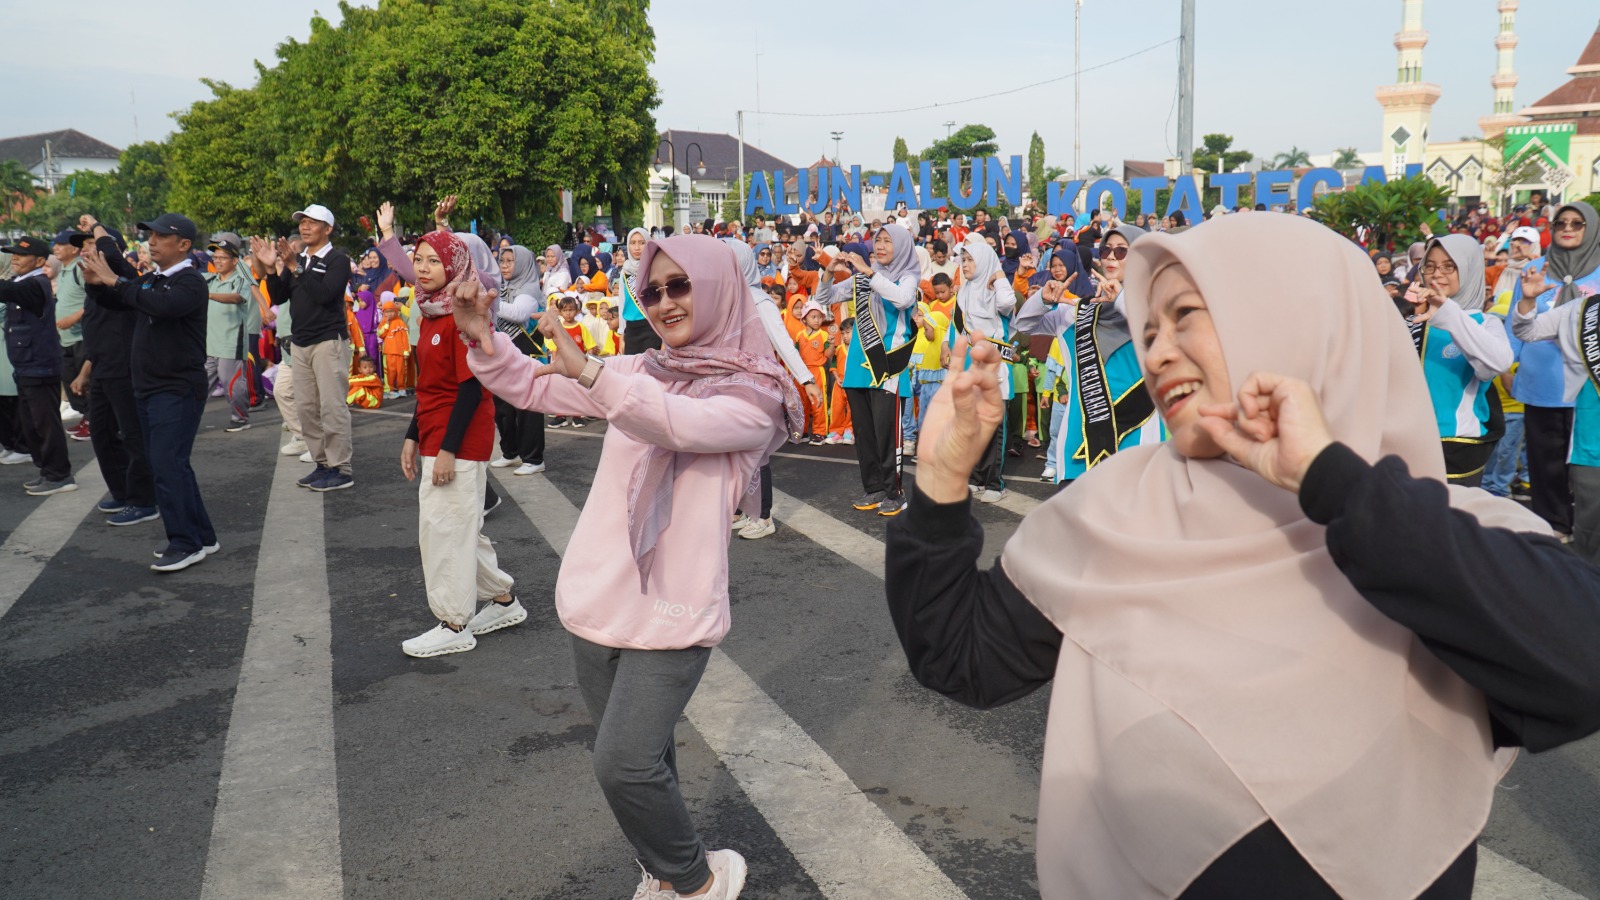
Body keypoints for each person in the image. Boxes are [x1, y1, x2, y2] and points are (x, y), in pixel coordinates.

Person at [888, 213, 1600, 898]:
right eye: (1148, 331)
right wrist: (941, 481)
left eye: (1186, 316)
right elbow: (960, 656)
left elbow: (1581, 665)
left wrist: (1330, 482)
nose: (1156, 353)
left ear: (1298, 320)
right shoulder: (1112, 512)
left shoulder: (1437, 531)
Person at [456, 233, 802, 900]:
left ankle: (700, 882)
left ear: (720, 288)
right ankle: (663, 874)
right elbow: (531, 384)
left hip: (674, 607)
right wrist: (483, 337)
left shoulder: (756, 394)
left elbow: (679, 424)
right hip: (599, 594)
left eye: (681, 286)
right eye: (653, 291)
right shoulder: (642, 370)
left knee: (624, 765)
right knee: (649, 759)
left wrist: (592, 373)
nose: (665, 302)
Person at [387, 229, 522, 657]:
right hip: (435, 431)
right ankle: (503, 600)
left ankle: (454, 623)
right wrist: (413, 436)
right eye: (419, 260)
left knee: (444, 530)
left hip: (457, 438)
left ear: (455, 265)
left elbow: (470, 389)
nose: (424, 268)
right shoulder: (430, 311)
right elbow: (430, 386)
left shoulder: (462, 314)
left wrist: (447, 449)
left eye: (434, 261)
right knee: (460, 527)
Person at [79, 214, 218, 571]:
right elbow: (119, 301)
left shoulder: (190, 281)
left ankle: (185, 543)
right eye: (150, 236)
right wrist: (96, 284)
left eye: (160, 236)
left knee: (167, 465)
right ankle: (202, 536)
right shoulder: (154, 278)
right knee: (172, 464)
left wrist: (113, 278)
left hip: (176, 387)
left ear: (183, 244)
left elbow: (161, 306)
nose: (151, 242)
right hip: (150, 386)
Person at [1017, 225, 1162, 487]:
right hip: (1078, 442)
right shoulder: (1077, 312)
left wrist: (1121, 300)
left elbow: (1160, 337)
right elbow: (1024, 325)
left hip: (1138, 437)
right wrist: (1043, 300)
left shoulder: (1157, 311)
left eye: (1121, 251)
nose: (1111, 256)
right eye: (1106, 250)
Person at [1511, 201, 1600, 562]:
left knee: (1586, 470)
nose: (1568, 228)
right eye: (1561, 222)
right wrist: (1506, 366)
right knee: (1545, 462)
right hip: (1541, 382)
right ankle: (1555, 526)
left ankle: (1585, 531)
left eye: (1577, 223)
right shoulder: (1535, 269)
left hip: (1587, 393)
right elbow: (1520, 325)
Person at [816, 227, 920, 514]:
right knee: (865, 435)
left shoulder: (907, 276)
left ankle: (894, 493)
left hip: (887, 368)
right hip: (857, 369)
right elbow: (825, 297)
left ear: (901, 246)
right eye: (878, 241)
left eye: (888, 241)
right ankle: (873, 488)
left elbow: (903, 299)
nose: (881, 246)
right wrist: (829, 271)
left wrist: (870, 273)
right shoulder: (862, 278)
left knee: (887, 435)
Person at [254, 203, 355, 492]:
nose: (304, 227)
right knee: (307, 408)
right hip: (300, 342)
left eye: (312, 222)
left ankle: (341, 468)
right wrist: (272, 269)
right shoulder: (298, 259)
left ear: (328, 228)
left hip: (327, 341)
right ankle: (322, 464)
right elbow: (278, 296)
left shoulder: (337, 260)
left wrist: (294, 267)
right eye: (302, 222)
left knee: (332, 408)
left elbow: (324, 295)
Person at [1404, 235, 1513, 486]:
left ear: (1469, 270)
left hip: (1455, 448)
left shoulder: (1484, 322)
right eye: (1429, 266)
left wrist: (1448, 312)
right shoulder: (1410, 322)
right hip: (1406, 442)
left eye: (1449, 266)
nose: (1437, 274)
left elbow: (1498, 363)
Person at [73, 217, 158, 524]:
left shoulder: (124, 280)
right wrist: (85, 372)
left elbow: (119, 267)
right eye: (84, 246)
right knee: (102, 434)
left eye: (91, 244)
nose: (85, 250)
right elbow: (97, 334)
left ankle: (144, 500)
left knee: (133, 436)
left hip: (124, 370)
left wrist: (97, 226)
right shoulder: (94, 285)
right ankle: (122, 491)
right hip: (102, 369)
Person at [0, 235, 75, 494]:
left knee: (45, 425)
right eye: (13, 253)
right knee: (32, 425)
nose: (15, 258)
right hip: (27, 365)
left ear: (40, 261)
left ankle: (59, 475)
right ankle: (47, 471)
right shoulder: (22, 281)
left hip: (39, 365)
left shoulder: (35, 284)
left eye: (22, 254)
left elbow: (7, 291)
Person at [952, 236, 1016, 500]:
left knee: (994, 428)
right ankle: (976, 478)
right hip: (973, 368)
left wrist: (999, 276)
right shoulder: (965, 290)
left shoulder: (996, 288)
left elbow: (1008, 304)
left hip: (995, 370)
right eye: (963, 260)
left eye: (970, 260)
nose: (965, 265)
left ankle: (994, 484)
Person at [490, 244, 546, 475]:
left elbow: (518, 313)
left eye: (510, 261)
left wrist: (489, 301)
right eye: (502, 261)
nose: (504, 266)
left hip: (527, 357)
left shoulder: (530, 290)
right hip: (505, 357)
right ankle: (510, 452)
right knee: (503, 407)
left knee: (527, 408)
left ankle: (533, 458)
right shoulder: (502, 289)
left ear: (522, 263)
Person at [204, 232, 258, 433]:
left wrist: (208, 295)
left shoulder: (240, 279)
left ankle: (240, 418)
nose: (217, 261)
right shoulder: (210, 279)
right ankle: (186, 419)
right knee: (199, 384)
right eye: (215, 257)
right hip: (209, 343)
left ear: (235, 260)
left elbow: (237, 297)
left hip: (231, 343)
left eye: (222, 257)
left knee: (232, 383)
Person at [51, 230, 91, 441]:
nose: (55, 248)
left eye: (60, 244)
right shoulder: (64, 270)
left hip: (81, 337)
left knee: (85, 383)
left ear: (74, 248)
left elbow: (94, 300)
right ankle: (87, 417)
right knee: (69, 381)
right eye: (54, 244)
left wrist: (74, 318)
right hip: (65, 338)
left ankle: (93, 421)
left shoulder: (80, 268)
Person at [378, 298, 411, 399]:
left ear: (395, 311)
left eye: (391, 311)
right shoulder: (383, 323)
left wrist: (406, 351)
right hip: (388, 352)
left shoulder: (400, 322)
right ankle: (389, 389)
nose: (389, 314)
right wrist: (386, 325)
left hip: (400, 352)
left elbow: (405, 337)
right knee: (389, 371)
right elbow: (381, 334)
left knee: (401, 371)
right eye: (386, 312)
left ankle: (402, 388)